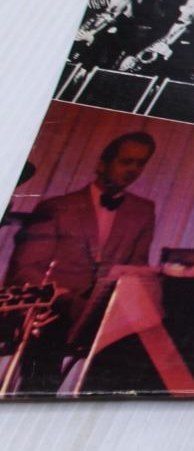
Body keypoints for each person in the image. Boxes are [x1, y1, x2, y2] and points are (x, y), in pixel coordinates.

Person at [2, 132, 159, 393]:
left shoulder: (143, 211)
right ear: (102, 164)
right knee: (44, 356)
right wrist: (59, 296)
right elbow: (27, 267)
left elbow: (137, 267)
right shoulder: (58, 207)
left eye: (140, 163)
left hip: (102, 313)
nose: (133, 170)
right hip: (54, 309)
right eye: (125, 162)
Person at [117, 0, 194, 76]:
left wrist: (169, 54)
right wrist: (131, 55)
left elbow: (190, 64)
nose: (193, 11)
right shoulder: (163, 22)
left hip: (162, 72)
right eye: (190, 7)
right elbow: (142, 40)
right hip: (137, 62)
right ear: (181, 8)